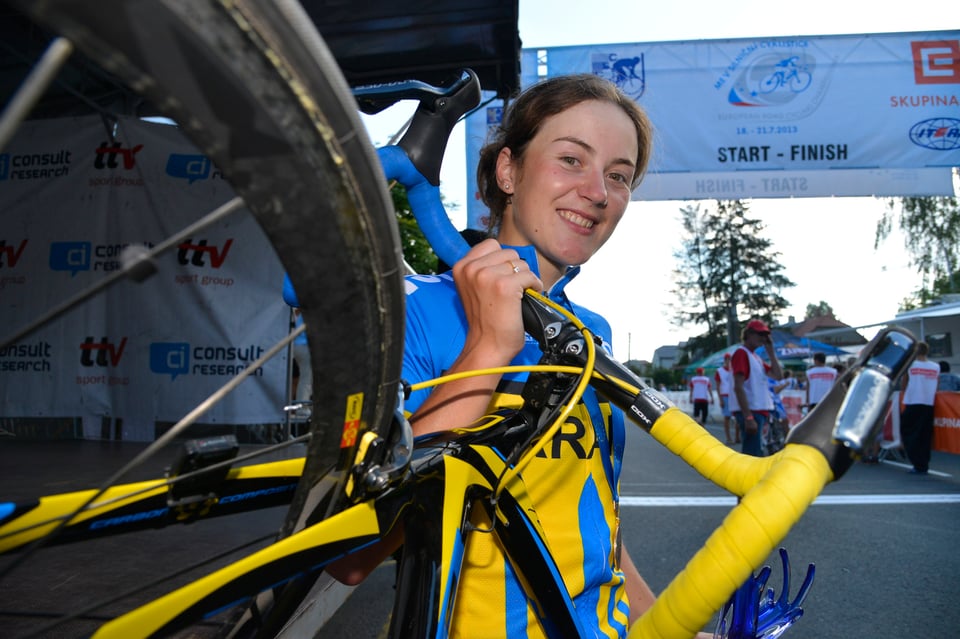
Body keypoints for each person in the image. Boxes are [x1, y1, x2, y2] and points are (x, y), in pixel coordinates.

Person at [329, 74, 711, 638]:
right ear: (508, 170)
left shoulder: (593, 333)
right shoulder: (409, 311)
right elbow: (349, 552)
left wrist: (664, 628)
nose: (599, 193)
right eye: (572, 160)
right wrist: (487, 346)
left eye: (618, 176)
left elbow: (595, 531)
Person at [729, 319, 783, 457]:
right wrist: (748, 417)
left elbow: (778, 375)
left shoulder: (756, 358)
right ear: (749, 334)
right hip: (752, 411)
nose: (763, 338)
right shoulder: (742, 353)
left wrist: (771, 352)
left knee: (756, 453)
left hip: (759, 411)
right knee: (753, 454)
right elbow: (738, 387)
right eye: (760, 334)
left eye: (765, 335)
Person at [901, 342, 940, 475]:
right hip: (929, 403)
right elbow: (937, 384)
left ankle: (917, 462)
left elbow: (904, 382)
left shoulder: (910, 365)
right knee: (925, 435)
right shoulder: (936, 366)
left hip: (913, 401)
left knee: (909, 433)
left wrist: (905, 394)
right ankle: (923, 463)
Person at [714, 353, 737, 444]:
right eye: (727, 359)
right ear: (725, 360)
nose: (729, 361)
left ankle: (737, 437)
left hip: (734, 396)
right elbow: (718, 386)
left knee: (737, 418)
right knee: (727, 417)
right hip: (725, 396)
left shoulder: (734, 370)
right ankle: (728, 438)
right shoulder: (720, 371)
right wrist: (720, 399)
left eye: (730, 359)